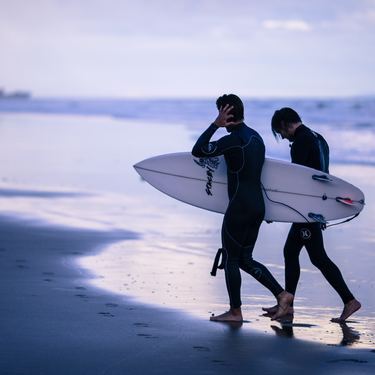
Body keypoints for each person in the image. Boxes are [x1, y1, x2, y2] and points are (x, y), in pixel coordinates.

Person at [192, 94, 293, 322]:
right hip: (257, 206)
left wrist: (214, 126)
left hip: (239, 207)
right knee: (245, 258)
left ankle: (235, 311)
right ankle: (282, 295)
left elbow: (198, 150)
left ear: (225, 114)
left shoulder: (233, 139)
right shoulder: (256, 138)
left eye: (219, 113)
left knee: (231, 259)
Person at [264, 107, 361, 322]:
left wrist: (276, 210)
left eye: (279, 132)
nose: (281, 136)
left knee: (317, 257)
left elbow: (297, 183)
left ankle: (349, 300)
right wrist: (322, 210)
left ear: (284, 124)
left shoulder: (301, 142)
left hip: (306, 210)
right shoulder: (318, 138)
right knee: (292, 252)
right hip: (316, 206)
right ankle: (287, 303)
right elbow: (323, 176)